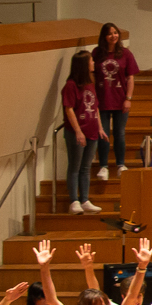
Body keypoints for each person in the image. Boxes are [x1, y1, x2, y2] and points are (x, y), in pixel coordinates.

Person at [61, 51, 106, 214]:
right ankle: (74, 200)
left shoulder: (90, 83)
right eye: (91, 60)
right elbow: (69, 109)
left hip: (92, 131)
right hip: (77, 132)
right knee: (75, 166)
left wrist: (100, 127)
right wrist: (78, 131)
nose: (93, 62)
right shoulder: (71, 85)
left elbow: (95, 108)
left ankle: (85, 199)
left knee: (86, 167)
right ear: (84, 64)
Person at [92, 23, 139, 179]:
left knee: (119, 133)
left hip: (120, 100)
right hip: (102, 99)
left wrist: (128, 98)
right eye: (110, 33)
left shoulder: (125, 53)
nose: (113, 36)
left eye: (115, 33)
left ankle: (120, 164)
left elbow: (130, 78)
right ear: (104, 36)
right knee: (103, 133)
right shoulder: (97, 53)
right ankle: (103, 166)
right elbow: (91, 75)